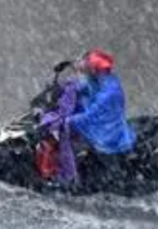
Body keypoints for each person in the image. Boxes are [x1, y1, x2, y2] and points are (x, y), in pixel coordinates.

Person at [54, 49, 136, 185]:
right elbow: (81, 85)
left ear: (94, 69)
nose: (85, 68)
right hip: (99, 128)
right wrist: (63, 88)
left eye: (88, 66)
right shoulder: (97, 80)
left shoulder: (109, 92)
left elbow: (90, 116)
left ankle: (74, 178)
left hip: (107, 135)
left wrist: (68, 120)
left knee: (74, 138)